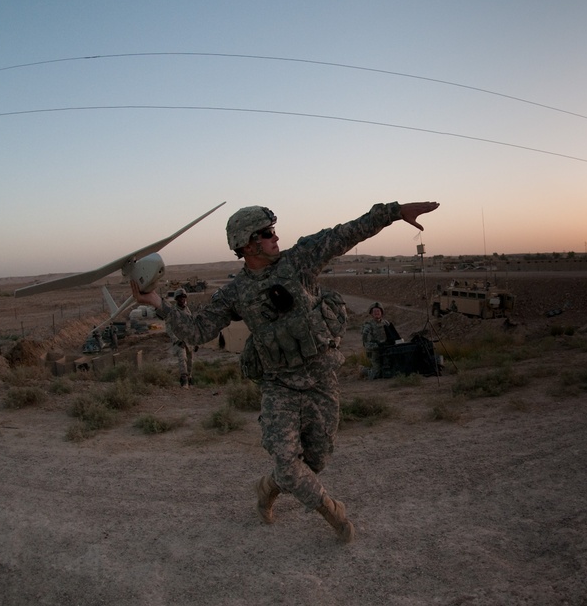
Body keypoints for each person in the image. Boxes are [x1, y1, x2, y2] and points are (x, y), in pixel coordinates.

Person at [131, 200, 439, 543]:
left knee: (315, 461)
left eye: (274, 231)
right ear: (246, 244)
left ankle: (268, 488)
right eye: (267, 234)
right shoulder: (235, 293)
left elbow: (346, 233)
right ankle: (331, 512)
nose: (276, 238)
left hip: (321, 379)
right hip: (279, 386)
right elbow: (197, 331)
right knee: (289, 462)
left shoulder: (299, 260)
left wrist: (394, 212)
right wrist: (157, 303)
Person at [361, 302, 401, 379]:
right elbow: (366, 344)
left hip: (386, 350)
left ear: (381, 313)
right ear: (371, 314)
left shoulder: (386, 323)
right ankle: (364, 370)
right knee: (377, 374)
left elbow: (394, 336)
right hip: (374, 352)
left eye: (378, 311)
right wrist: (379, 345)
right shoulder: (368, 326)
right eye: (374, 311)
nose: (377, 313)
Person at [166, 288, 196, 388]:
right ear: (176, 299)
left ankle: (190, 378)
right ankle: (184, 381)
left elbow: (192, 325)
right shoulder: (173, 311)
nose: (182, 299)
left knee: (190, 360)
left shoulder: (187, 310)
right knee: (182, 359)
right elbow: (168, 328)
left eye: (183, 297)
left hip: (188, 340)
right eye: (180, 298)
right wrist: (176, 340)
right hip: (179, 340)